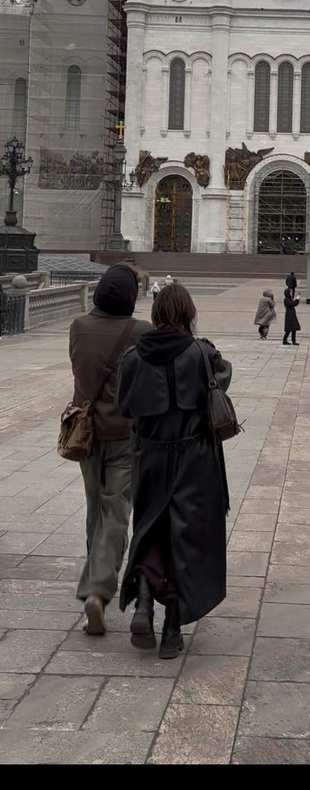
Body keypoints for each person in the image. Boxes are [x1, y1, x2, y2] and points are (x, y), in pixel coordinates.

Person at [118, 283, 231, 659]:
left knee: (150, 528)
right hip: (194, 460)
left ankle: (146, 601)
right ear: (188, 313)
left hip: (149, 458)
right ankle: (171, 630)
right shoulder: (202, 353)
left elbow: (124, 407)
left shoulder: (133, 357)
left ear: (155, 312)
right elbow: (223, 382)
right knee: (189, 541)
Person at [69, 265, 152, 636]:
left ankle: (94, 578)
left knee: (94, 510)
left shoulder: (78, 327)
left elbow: (78, 371)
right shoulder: (140, 332)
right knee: (115, 511)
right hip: (124, 435)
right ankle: (98, 590)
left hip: (85, 436)